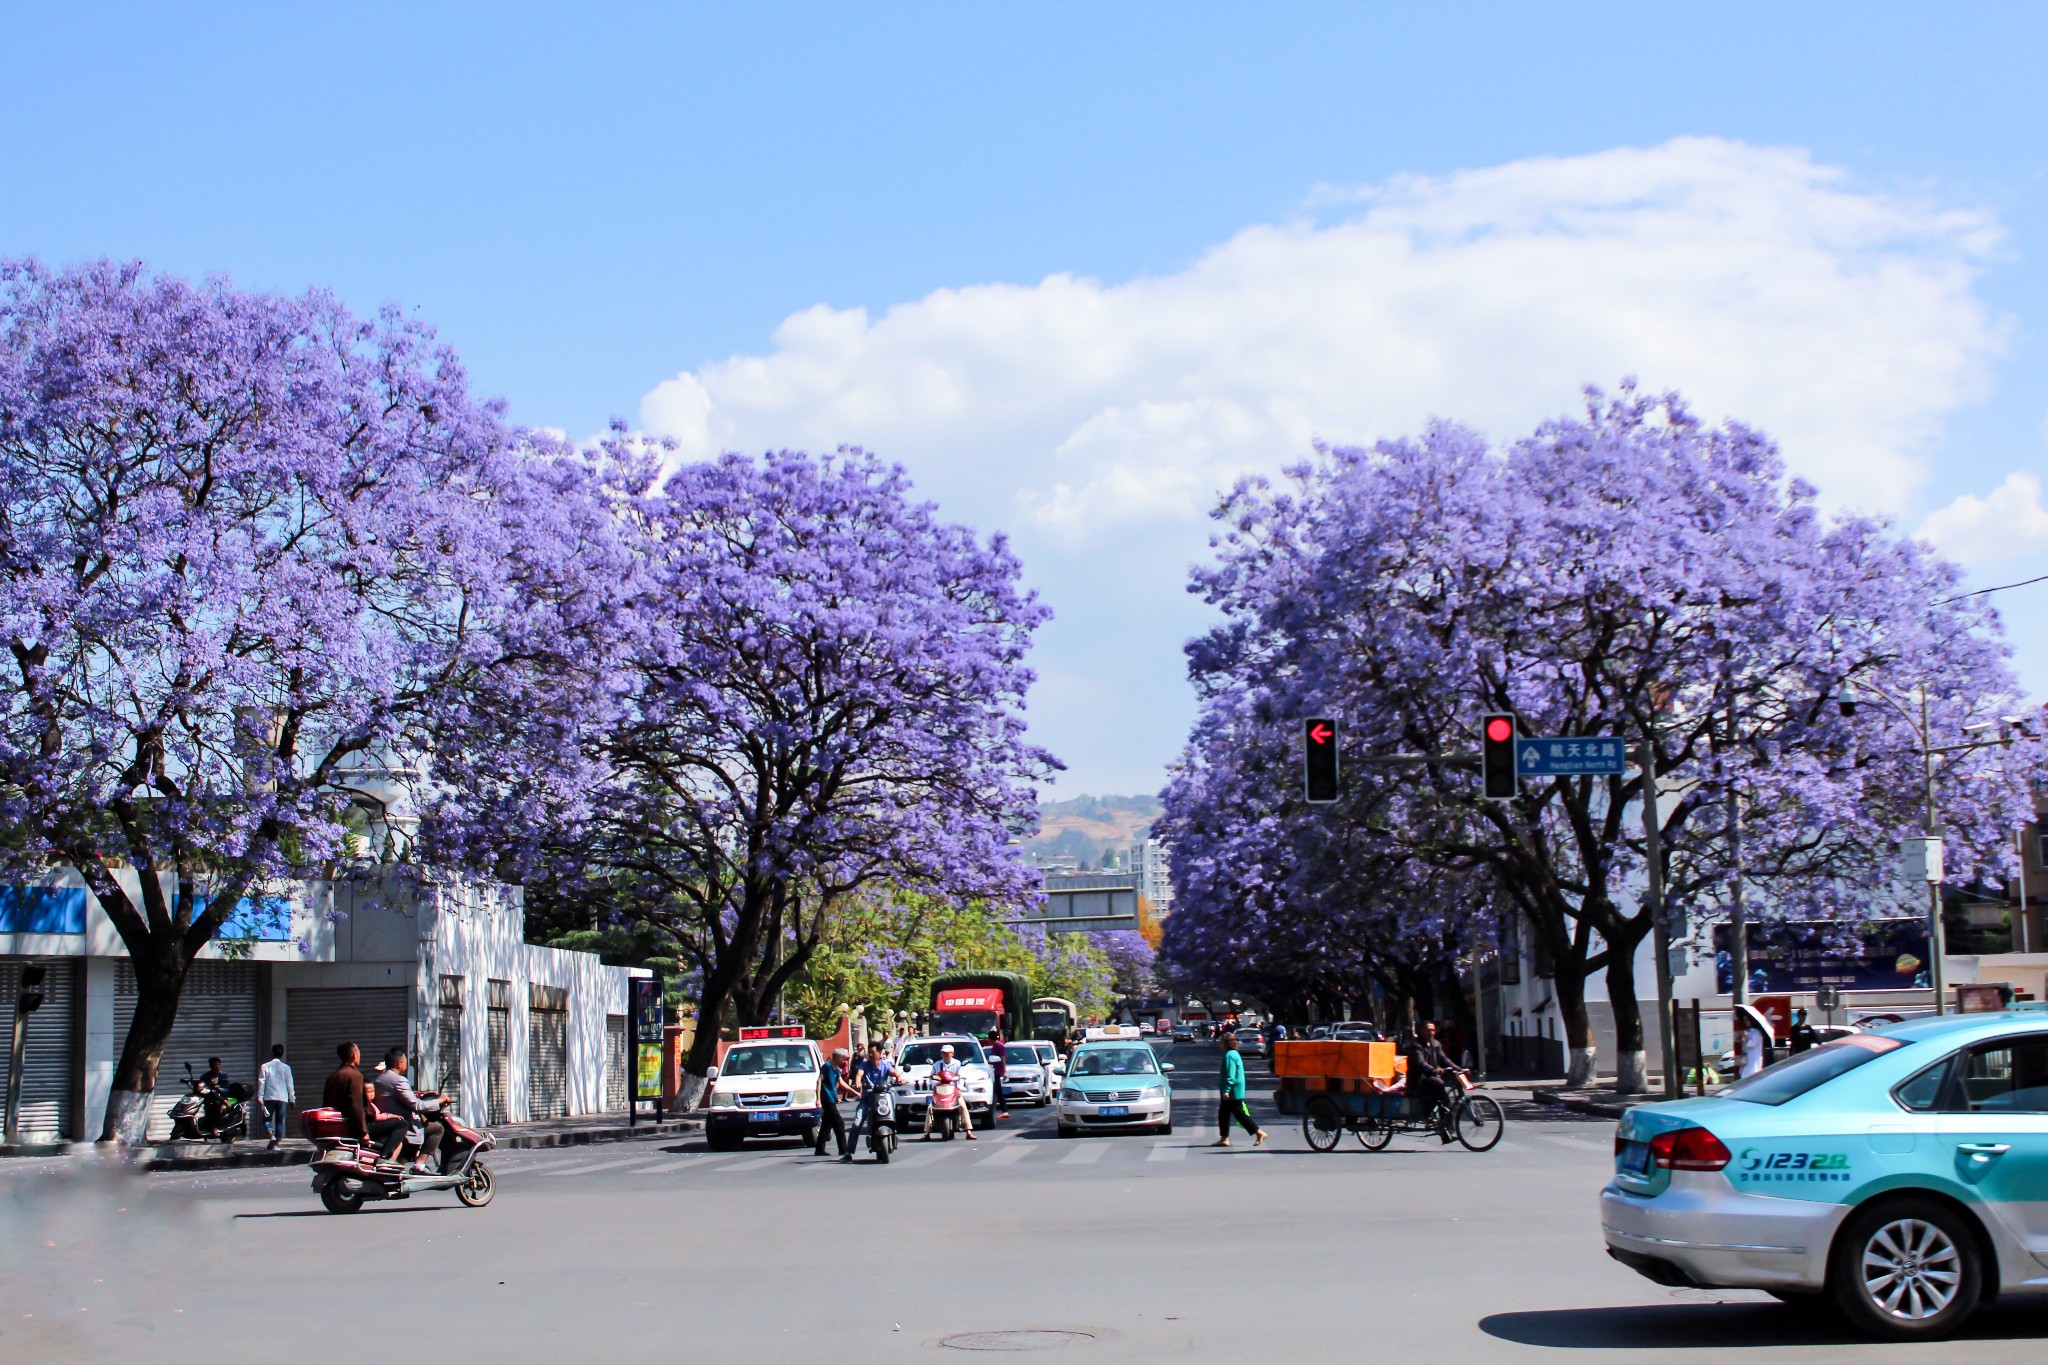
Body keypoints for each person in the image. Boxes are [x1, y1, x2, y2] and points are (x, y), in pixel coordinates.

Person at [371, 1046, 444, 1173]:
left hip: (387, 1120)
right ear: (400, 1063)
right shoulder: (399, 1080)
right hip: (404, 1123)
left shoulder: (379, 1079)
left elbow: (401, 1096)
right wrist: (439, 1101)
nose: (406, 1064)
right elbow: (417, 1106)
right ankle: (419, 1165)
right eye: (405, 1061)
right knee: (438, 1128)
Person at [1404, 1021, 1457, 1142]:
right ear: (1421, 1031)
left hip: (1431, 1079)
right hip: (1417, 1080)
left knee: (1444, 1100)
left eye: (1433, 1030)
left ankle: (1447, 1132)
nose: (1431, 1033)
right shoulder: (1415, 1045)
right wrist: (1434, 1070)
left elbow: (1445, 1059)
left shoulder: (1436, 1044)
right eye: (1428, 1030)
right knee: (1439, 1086)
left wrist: (1460, 1069)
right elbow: (1420, 1063)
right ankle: (1425, 1113)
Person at [1212, 1030, 1266, 1148]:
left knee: (1239, 1114)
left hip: (1232, 1090)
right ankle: (1224, 1138)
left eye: (1221, 1042)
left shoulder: (1230, 1055)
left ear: (1226, 1043)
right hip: (1234, 1089)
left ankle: (1258, 1132)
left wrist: (1226, 1090)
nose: (1220, 1045)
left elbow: (1230, 1074)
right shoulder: (1234, 1053)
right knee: (1224, 1114)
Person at [846, 1040, 897, 1162]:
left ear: (880, 1053)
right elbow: (859, 1074)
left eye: (873, 1052)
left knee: (893, 1099)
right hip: (867, 1099)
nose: (871, 1055)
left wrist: (900, 1078)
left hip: (882, 1099)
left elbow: (894, 1072)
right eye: (869, 1052)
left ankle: (893, 1128)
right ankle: (848, 1152)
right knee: (857, 1123)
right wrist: (858, 1081)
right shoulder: (864, 1065)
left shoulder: (885, 1065)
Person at [924, 1043, 976, 1140]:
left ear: (952, 1054)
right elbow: (931, 1078)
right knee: (930, 1107)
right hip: (940, 1091)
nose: (945, 1055)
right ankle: (927, 1132)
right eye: (944, 1053)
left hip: (953, 1092)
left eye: (947, 1053)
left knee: (962, 1106)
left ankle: (968, 1131)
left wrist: (959, 1088)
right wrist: (936, 1083)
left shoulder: (957, 1064)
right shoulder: (937, 1064)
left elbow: (961, 1078)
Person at [814, 1047, 855, 1158]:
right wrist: (818, 1099)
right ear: (837, 1057)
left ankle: (819, 1148)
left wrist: (854, 1092)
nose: (844, 1062)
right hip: (827, 1099)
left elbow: (841, 1082)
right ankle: (843, 1149)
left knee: (826, 1125)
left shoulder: (836, 1069)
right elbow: (819, 1080)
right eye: (843, 1059)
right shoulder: (827, 1066)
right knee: (839, 1123)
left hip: (832, 1098)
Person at [257, 1043, 295, 1149]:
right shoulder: (286, 1068)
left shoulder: (265, 1066)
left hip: (269, 1097)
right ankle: (276, 1143)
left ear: (272, 1053)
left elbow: (261, 1082)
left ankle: (271, 1136)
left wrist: (260, 1096)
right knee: (279, 1121)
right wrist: (292, 1099)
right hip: (282, 1098)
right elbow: (290, 1084)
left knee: (266, 1119)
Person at [1736, 1013, 1768, 1078]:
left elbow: (1752, 1044)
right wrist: (1741, 1040)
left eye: (1747, 1020)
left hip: (1754, 1059)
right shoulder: (1748, 1032)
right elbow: (1745, 1048)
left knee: (1752, 1075)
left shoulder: (1757, 1032)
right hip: (1747, 1060)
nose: (1745, 1022)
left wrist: (1745, 1036)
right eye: (1744, 1020)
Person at [987, 1032, 1010, 1120]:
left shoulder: (999, 1046)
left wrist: (1004, 1072)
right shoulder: (995, 1046)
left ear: (990, 1038)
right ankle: (1002, 1110)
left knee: (999, 1092)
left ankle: (1005, 1111)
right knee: (996, 1092)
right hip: (993, 1071)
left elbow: (1003, 1058)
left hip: (998, 1072)